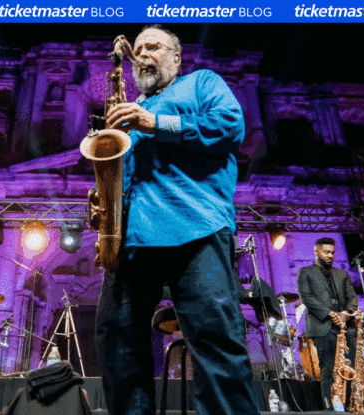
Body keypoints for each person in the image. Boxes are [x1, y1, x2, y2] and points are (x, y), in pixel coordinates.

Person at [94, 25, 260, 415]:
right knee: (116, 341)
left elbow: (230, 126)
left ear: (176, 57)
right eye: (137, 50)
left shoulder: (202, 82)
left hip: (196, 227)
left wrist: (155, 123)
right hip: (132, 238)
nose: (142, 55)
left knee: (215, 340)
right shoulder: (128, 110)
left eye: (153, 46)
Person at [296, 237, 358, 409]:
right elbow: (306, 297)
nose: (330, 255)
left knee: (352, 367)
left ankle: (351, 404)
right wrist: (330, 314)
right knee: (327, 369)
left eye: (332, 252)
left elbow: (352, 297)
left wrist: (345, 313)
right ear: (316, 252)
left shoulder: (342, 274)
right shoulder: (305, 272)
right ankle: (330, 408)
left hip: (345, 327)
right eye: (326, 252)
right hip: (322, 326)